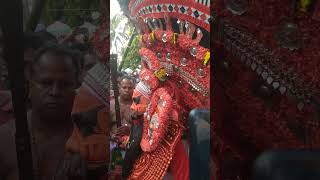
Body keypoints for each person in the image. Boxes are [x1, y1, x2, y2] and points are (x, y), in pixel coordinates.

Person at [0, 44, 86, 180]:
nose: (55, 92)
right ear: (30, 84)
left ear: (76, 87)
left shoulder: (89, 141)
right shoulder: (5, 138)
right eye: (46, 83)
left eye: (64, 84)